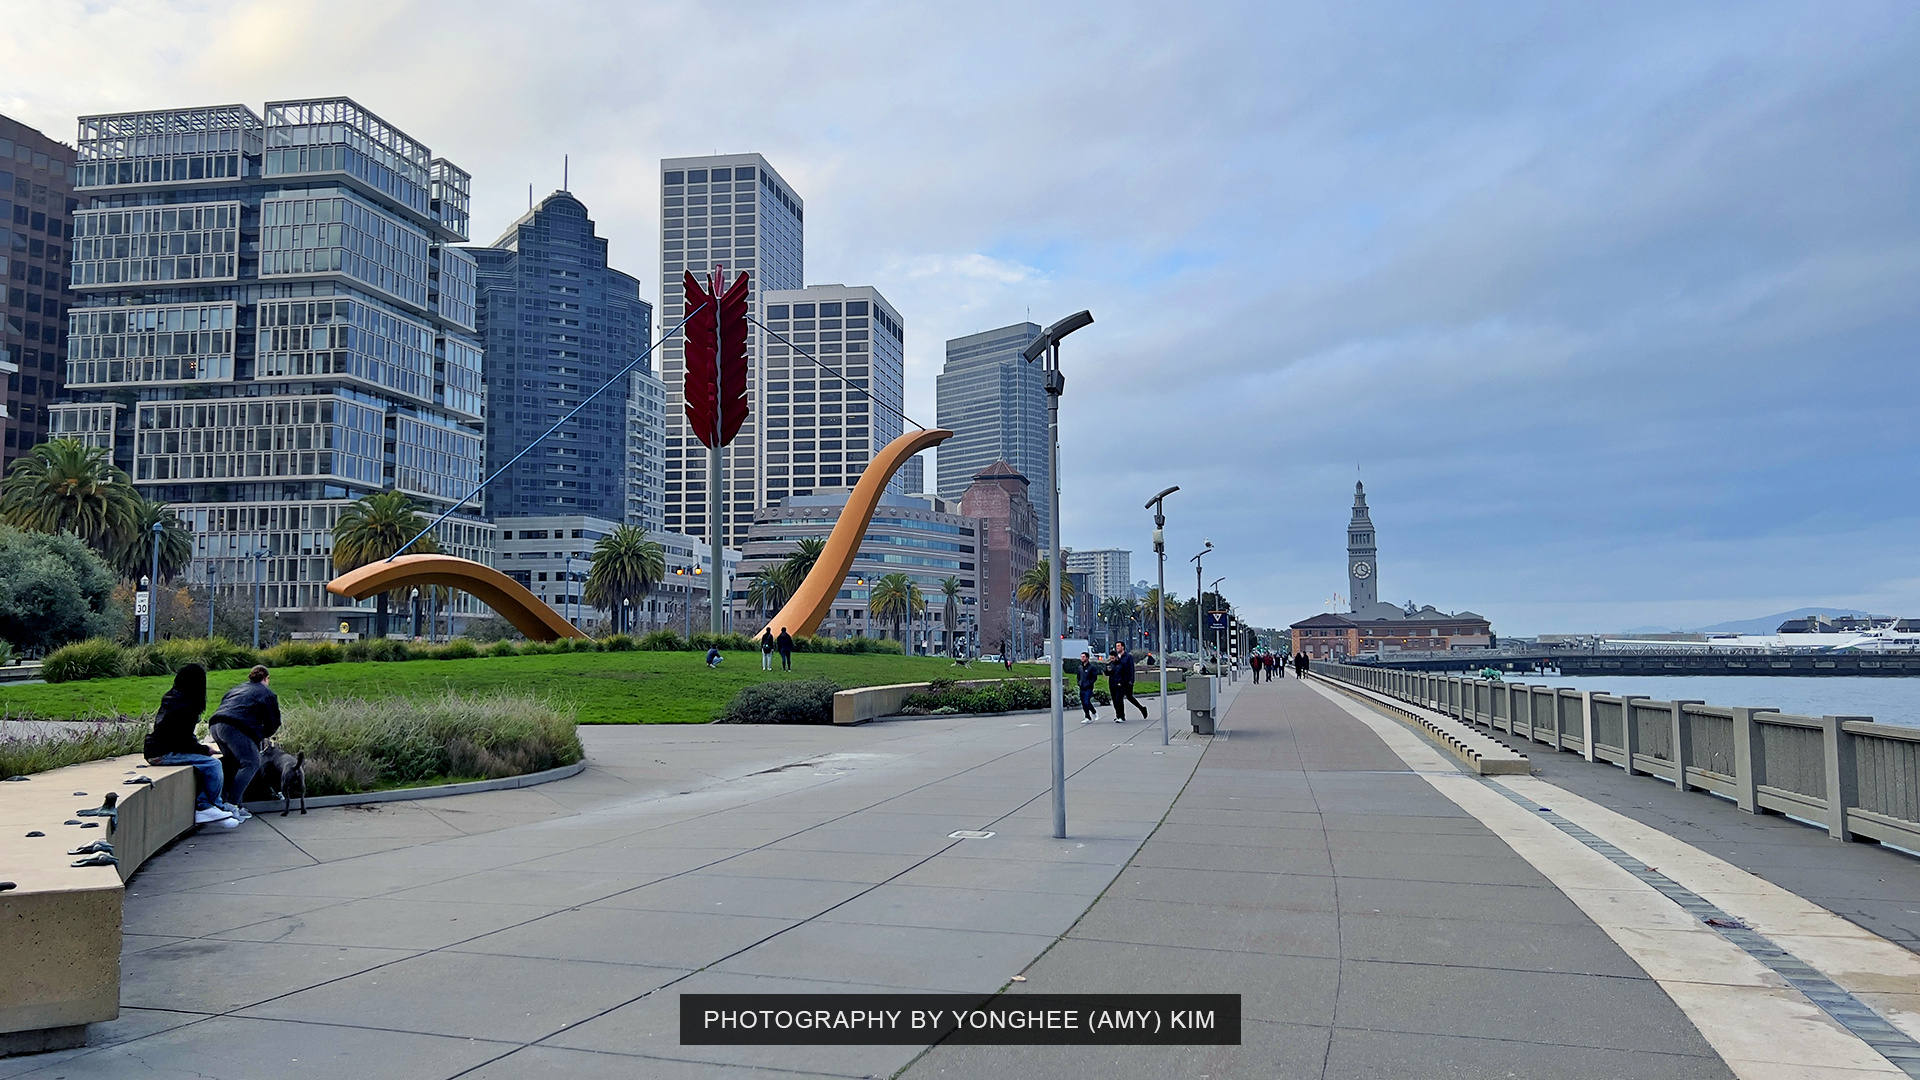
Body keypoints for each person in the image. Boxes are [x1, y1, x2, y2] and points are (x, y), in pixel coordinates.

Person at [143, 664, 236, 827]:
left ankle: (213, 806)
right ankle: (207, 806)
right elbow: (181, 742)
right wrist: (204, 749)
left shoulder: (174, 698)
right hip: (162, 753)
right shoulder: (187, 707)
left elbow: (182, 736)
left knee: (206, 763)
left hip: (157, 748)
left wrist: (199, 748)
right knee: (213, 764)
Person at [209, 665, 281, 820]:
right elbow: (273, 722)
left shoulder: (236, 689)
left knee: (233, 764)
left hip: (216, 725)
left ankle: (228, 805)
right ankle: (232, 805)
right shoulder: (267, 694)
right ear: (266, 678)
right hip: (235, 727)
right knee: (251, 762)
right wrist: (262, 736)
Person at [1107, 642, 1149, 722]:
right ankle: (1120, 715)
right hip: (1119, 681)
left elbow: (1131, 668)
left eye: (1119, 646)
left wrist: (1131, 680)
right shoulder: (1117, 657)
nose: (1117, 648)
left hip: (1127, 680)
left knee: (1129, 697)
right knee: (1118, 698)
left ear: (1123, 647)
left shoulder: (1128, 657)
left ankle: (1141, 708)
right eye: (1116, 646)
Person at [1075, 651, 1099, 723]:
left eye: (1084, 657)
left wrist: (1089, 683)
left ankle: (1094, 712)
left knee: (1087, 701)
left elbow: (1094, 677)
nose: (1082, 658)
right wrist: (1079, 683)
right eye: (1081, 657)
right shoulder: (1080, 667)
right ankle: (1087, 717)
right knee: (1083, 702)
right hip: (1082, 687)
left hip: (1088, 687)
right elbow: (1078, 676)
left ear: (1087, 658)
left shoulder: (1091, 668)